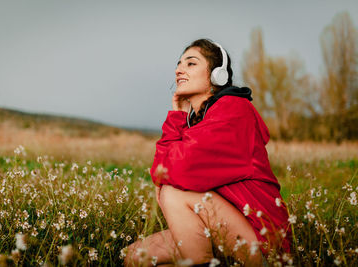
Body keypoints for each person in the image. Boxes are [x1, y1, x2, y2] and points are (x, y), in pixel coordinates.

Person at [124, 39, 291, 267]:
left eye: (191, 64)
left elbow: (177, 171)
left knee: (174, 192)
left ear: (217, 75)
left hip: (263, 240)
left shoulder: (234, 110)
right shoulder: (199, 121)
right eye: (179, 64)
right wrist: (177, 117)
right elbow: (163, 171)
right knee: (135, 256)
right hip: (225, 226)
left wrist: (163, 182)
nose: (179, 70)